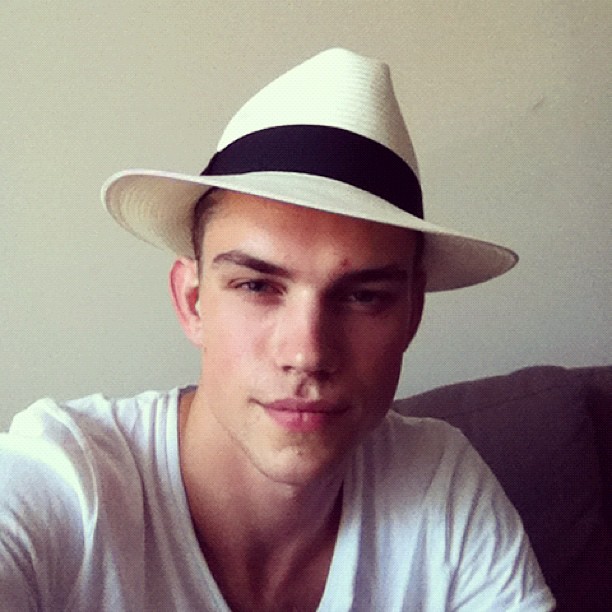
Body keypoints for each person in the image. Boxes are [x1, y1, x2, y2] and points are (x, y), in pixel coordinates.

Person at [0, 48, 555, 611]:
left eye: (364, 296)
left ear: (411, 316)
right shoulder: (66, 480)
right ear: (193, 302)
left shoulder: (440, 482)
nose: (307, 353)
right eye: (257, 286)